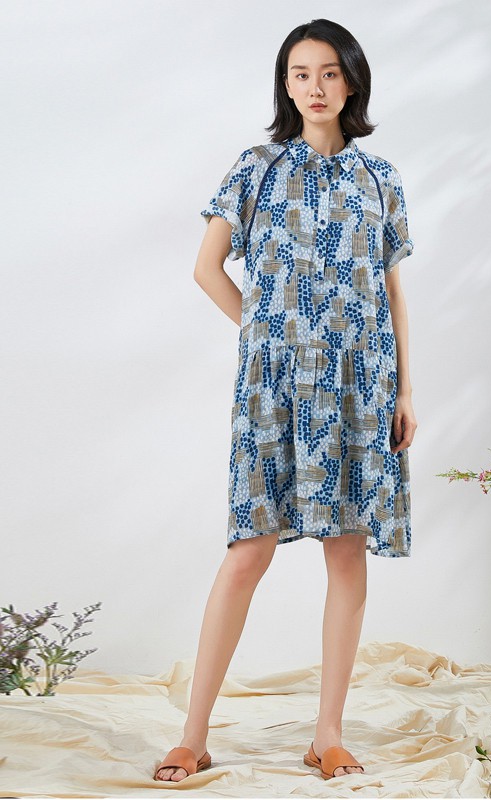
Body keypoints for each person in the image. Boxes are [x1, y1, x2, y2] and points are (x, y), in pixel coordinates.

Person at [154, 17, 417, 783]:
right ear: (286, 85)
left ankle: (327, 734)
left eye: (329, 72)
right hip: (273, 388)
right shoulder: (257, 168)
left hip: (361, 384)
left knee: (348, 549)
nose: (315, 87)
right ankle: (193, 735)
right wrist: (265, 333)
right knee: (249, 551)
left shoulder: (381, 177)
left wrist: (405, 388)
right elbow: (207, 267)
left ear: (352, 80)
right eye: (301, 74)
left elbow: (392, 288)